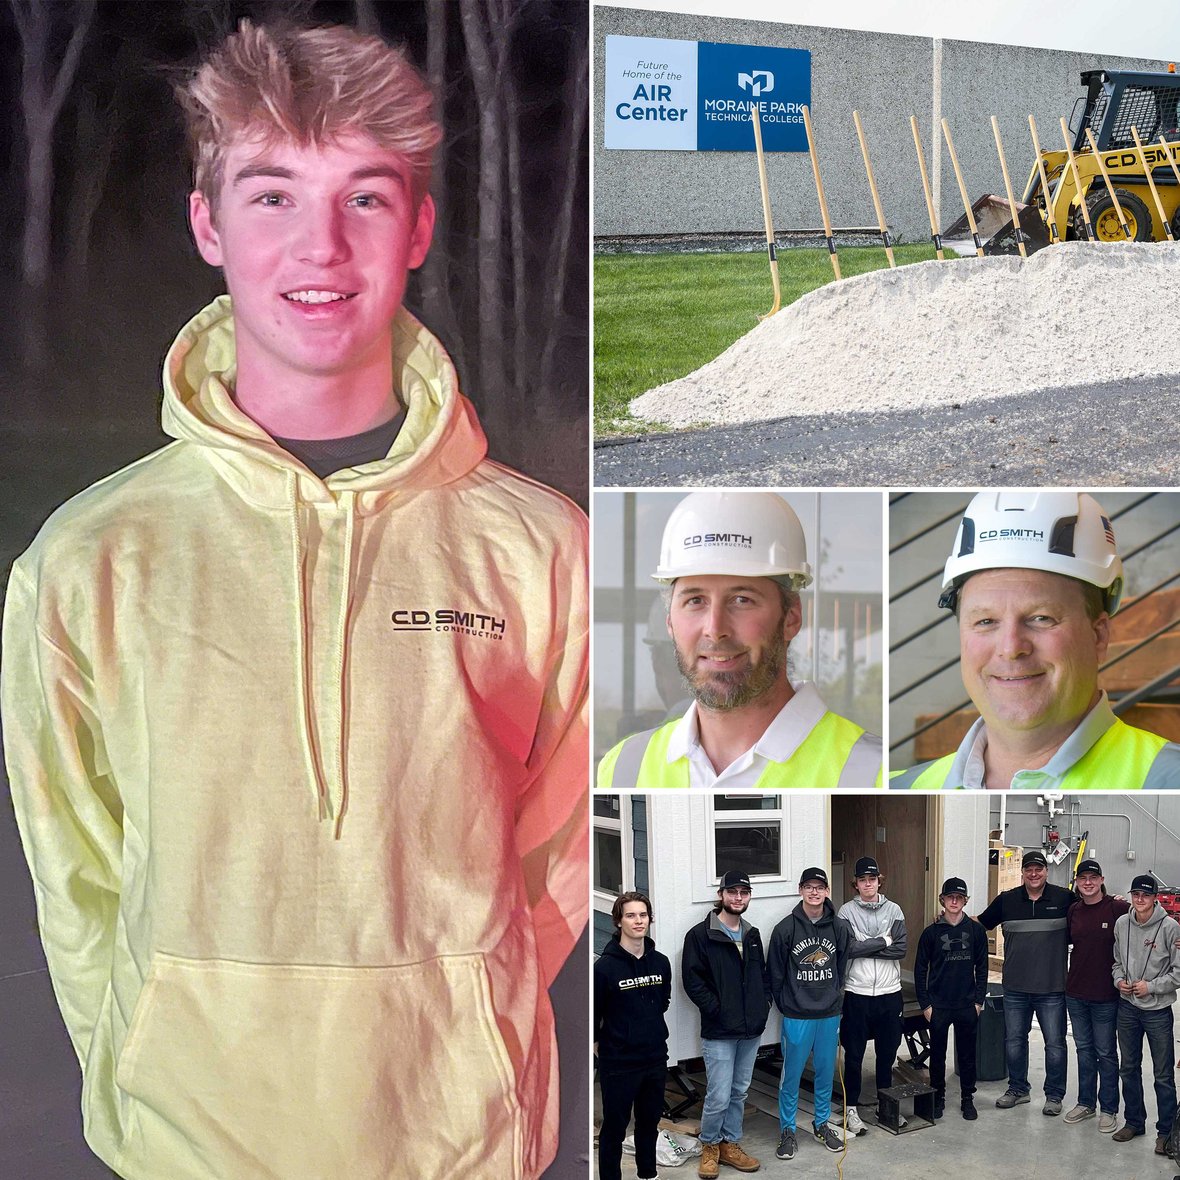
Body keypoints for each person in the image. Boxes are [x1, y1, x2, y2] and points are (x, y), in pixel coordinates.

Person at [1, 22, 588, 1180]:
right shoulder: (88, 559)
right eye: (272, 196)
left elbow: (560, 850)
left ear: (416, 227)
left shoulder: (544, 548)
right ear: (208, 223)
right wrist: (145, 1042)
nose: (320, 245)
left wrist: (463, 1007)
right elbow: (74, 873)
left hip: (453, 1141)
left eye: (365, 199)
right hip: (184, 1142)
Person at [891, 490, 1180, 790]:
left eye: (1041, 618)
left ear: (1099, 636)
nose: (1011, 648)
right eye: (986, 621)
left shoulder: (1169, 781)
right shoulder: (900, 787)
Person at [598, 491, 882, 789]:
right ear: (670, 622)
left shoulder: (868, 771)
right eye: (695, 600)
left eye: (742, 599)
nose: (715, 628)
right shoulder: (622, 768)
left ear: (791, 618)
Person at [681, 870, 769, 1179]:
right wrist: (716, 1010)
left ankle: (730, 1144)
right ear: (721, 895)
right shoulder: (700, 935)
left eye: (743, 893)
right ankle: (709, 1146)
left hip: (749, 1030)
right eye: (732, 892)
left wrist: (763, 1007)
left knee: (740, 1091)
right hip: (719, 1030)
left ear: (749, 896)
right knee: (718, 1093)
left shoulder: (752, 934)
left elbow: (762, 977)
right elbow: (692, 981)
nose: (738, 898)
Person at [977, 850, 1073, 1114]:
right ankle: (1018, 1089)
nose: (1034, 874)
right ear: (1022, 872)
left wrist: (1118, 903)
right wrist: (950, 918)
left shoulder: (1064, 898)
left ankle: (1054, 1095)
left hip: (1052, 988)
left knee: (1055, 1044)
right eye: (1029, 869)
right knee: (1014, 1041)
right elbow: (980, 924)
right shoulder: (1007, 901)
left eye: (1038, 869)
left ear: (1046, 872)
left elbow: (1091, 914)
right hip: (1015, 988)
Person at [768, 866, 853, 1160]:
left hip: (829, 1014)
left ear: (827, 891)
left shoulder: (839, 928)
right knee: (791, 1075)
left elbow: (842, 964)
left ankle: (821, 1123)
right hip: (797, 1015)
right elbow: (775, 974)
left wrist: (835, 997)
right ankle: (788, 1130)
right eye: (809, 886)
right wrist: (788, 1005)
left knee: (825, 1073)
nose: (814, 892)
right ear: (801, 890)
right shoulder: (785, 929)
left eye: (820, 887)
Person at [594, 892, 672, 1180]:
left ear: (649, 919)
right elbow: (594, 1012)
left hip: (654, 1058)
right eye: (630, 915)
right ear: (618, 921)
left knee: (649, 1123)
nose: (638, 921)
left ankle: (647, 1173)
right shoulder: (604, 968)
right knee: (614, 1127)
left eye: (643, 915)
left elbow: (662, 1001)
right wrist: (600, 1045)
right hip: (619, 1063)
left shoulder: (661, 963)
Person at [837, 856, 907, 1135]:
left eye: (873, 879)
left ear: (880, 880)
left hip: (890, 994)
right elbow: (848, 950)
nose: (868, 884)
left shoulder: (895, 910)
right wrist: (884, 940)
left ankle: (885, 1106)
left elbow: (900, 949)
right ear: (856, 884)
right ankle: (851, 1110)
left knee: (886, 1055)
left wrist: (868, 945)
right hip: (857, 993)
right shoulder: (844, 912)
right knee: (853, 1056)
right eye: (863, 880)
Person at [1111, 875, 1180, 1155]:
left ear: (1154, 898)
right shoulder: (1121, 924)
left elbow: (1178, 972)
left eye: (1145, 895)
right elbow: (1116, 962)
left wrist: (1150, 987)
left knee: (1163, 1075)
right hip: (1127, 1008)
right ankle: (1134, 1122)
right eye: (1135, 894)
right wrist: (1119, 981)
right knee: (1128, 1068)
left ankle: (1165, 1132)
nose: (1140, 899)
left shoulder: (1170, 928)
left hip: (1158, 1012)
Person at [914, 876, 989, 1121]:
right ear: (942, 900)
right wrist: (925, 1004)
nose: (954, 901)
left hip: (967, 1004)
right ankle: (938, 1098)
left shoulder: (976, 931)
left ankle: (968, 1099)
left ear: (965, 901)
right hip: (939, 1006)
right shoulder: (931, 933)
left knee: (967, 1055)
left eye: (959, 897)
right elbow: (920, 970)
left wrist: (978, 1001)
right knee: (937, 1055)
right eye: (950, 897)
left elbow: (983, 967)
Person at [1064, 858, 1129, 1132]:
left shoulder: (1117, 907)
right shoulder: (1074, 911)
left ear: (1102, 880)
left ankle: (1109, 1109)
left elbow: (1148, 912)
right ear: (1077, 883)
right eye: (1083, 879)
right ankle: (1086, 1103)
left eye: (1093, 878)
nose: (1088, 883)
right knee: (1084, 1051)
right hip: (1076, 992)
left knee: (1106, 1053)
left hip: (1105, 995)